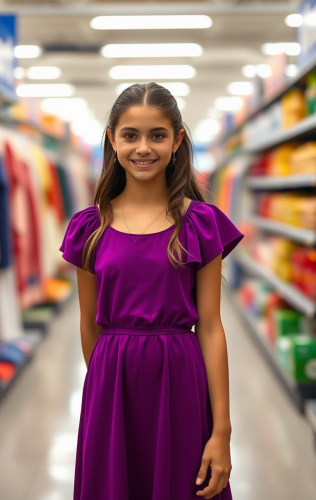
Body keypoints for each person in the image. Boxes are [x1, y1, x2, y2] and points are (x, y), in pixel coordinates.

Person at [59, 82, 243, 500]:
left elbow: (211, 328)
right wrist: (111, 383)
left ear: (177, 140)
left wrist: (222, 429)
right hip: (111, 387)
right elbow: (89, 324)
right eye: (131, 135)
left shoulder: (200, 224)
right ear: (112, 140)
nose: (144, 147)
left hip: (181, 384)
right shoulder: (90, 227)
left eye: (157, 135)